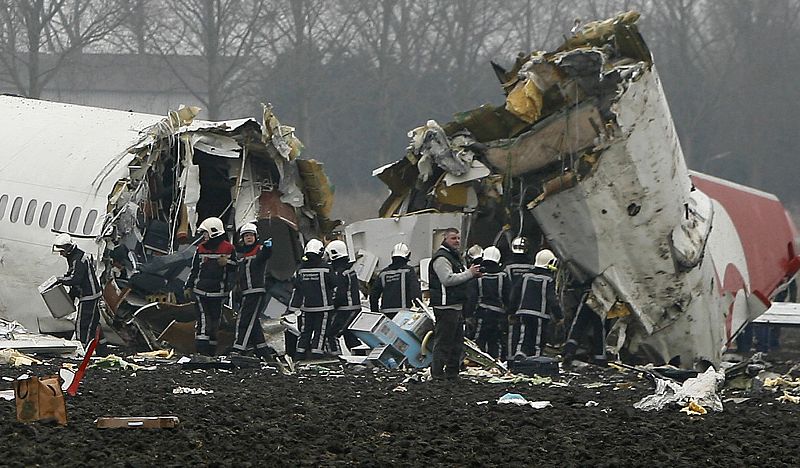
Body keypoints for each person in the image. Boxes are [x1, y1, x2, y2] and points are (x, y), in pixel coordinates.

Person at [428, 228, 482, 380]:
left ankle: (452, 373)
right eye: (453, 238)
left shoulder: (454, 257)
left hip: (456, 305)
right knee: (444, 343)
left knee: (457, 343)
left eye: (458, 238)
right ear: (444, 239)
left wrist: (471, 274)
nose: (457, 241)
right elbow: (447, 279)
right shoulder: (442, 258)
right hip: (445, 307)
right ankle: (437, 374)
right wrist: (469, 273)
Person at [185, 217, 237, 356]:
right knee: (203, 320)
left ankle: (211, 352)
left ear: (213, 232)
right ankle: (201, 351)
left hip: (218, 293)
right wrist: (188, 286)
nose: (204, 236)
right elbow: (194, 269)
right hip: (201, 291)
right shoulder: (200, 248)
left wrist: (228, 263)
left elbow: (237, 268)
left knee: (215, 322)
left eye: (206, 233)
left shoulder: (228, 248)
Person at [53, 233, 107, 353]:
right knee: (93, 323)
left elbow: (75, 279)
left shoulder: (77, 259)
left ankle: (80, 348)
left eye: (62, 251)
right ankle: (102, 349)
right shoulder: (76, 256)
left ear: (68, 248)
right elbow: (72, 274)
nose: (61, 254)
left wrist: (59, 280)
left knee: (82, 323)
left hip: (88, 295)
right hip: (92, 293)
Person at [232, 222, 275, 359]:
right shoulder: (242, 255)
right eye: (246, 236)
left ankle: (238, 348)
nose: (249, 238)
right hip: (245, 292)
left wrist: (268, 248)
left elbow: (265, 255)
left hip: (256, 291)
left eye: (251, 235)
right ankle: (263, 352)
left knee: (243, 320)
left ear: (256, 237)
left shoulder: (260, 250)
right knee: (253, 322)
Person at [509, 248, 562, 358]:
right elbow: (552, 300)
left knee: (523, 337)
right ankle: (536, 360)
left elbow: (515, 294)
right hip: (540, 315)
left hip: (523, 312)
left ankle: (520, 355)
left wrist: (511, 311)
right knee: (538, 340)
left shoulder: (525, 277)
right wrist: (559, 316)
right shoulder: (548, 279)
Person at [287, 239, 335, 360]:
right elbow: (334, 284)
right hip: (324, 307)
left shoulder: (301, 269)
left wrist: (291, 309)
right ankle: (316, 354)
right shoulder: (326, 268)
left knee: (304, 332)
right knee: (320, 332)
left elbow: (296, 288)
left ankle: (299, 354)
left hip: (306, 308)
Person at [464, 246, 509, 358]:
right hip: (499, 316)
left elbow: (471, 299)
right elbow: (509, 298)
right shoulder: (504, 277)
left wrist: (468, 315)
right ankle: (497, 364)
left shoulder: (477, 278)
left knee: (478, 341)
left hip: (481, 314)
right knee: (496, 341)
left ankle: (476, 362)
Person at [325, 240, 362, 353]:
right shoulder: (348, 269)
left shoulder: (339, 273)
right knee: (349, 336)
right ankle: (359, 358)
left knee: (330, 334)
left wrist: (331, 306)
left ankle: (335, 358)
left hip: (345, 309)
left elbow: (339, 294)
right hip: (353, 308)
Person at [502, 236, 536, 360]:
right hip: (529, 305)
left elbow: (506, 288)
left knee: (512, 333)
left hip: (512, 305)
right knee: (528, 333)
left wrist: (508, 307)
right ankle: (529, 357)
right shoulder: (532, 267)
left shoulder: (507, 267)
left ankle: (511, 358)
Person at [369, 243, 421, 319]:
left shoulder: (383, 273)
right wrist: (418, 305)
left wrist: (375, 312)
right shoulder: (408, 271)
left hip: (386, 313)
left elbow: (374, 294)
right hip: (403, 313)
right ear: (407, 256)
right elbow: (415, 290)